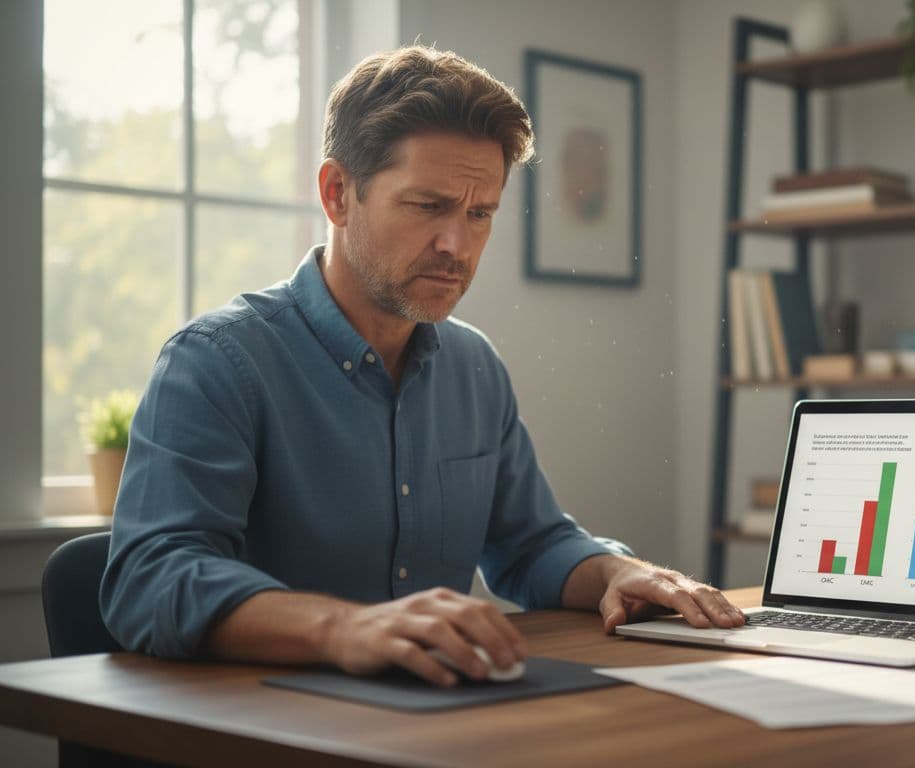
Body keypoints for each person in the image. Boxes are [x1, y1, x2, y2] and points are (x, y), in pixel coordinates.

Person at [100, 45, 744, 687]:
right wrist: (345, 629)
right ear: (337, 194)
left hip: (438, 714)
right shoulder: (217, 361)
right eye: (428, 206)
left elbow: (532, 546)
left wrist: (615, 572)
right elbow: (149, 580)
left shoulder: (474, 367)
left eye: (479, 213)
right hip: (263, 721)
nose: (456, 246)